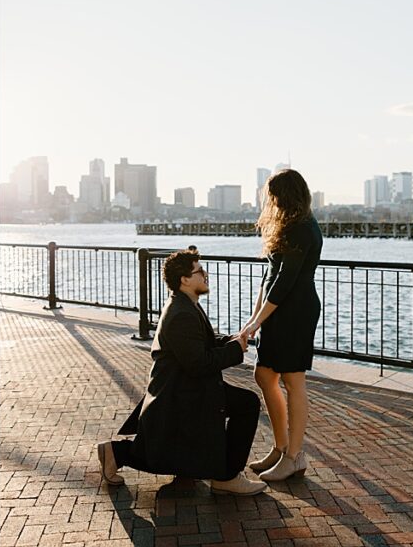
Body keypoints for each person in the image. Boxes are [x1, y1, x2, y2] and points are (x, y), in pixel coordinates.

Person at [96, 250, 266, 495]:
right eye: (199, 271)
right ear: (185, 279)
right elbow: (199, 363)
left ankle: (116, 452)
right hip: (182, 393)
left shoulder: (184, 304)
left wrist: (230, 340)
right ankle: (227, 476)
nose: (205, 274)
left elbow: (200, 343)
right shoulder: (182, 313)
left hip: (184, 387)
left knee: (171, 453)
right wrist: (234, 350)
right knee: (247, 404)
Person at [238, 169, 322, 481]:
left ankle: (294, 457)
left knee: (293, 380)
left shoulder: (302, 227)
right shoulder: (286, 225)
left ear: (283, 196)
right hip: (277, 310)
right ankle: (280, 448)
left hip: (296, 311)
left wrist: (258, 321)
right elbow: (269, 276)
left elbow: (285, 283)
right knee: (264, 374)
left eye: (272, 195)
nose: (268, 201)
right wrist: (253, 318)